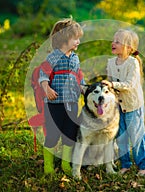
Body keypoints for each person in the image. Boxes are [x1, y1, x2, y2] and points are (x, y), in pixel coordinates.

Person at [38, 18, 85, 175]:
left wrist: (84, 88)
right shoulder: (53, 57)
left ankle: (66, 163)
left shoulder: (75, 58)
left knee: (69, 132)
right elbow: (42, 74)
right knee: (52, 133)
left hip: (72, 102)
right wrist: (46, 88)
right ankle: (48, 165)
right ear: (64, 39)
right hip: (55, 103)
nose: (78, 41)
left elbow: (79, 76)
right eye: (75, 38)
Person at [102, 29, 145, 176]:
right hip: (118, 107)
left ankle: (143, 166)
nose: (113, 43)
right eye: (113, 40)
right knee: (121, 136)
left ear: (129, 47)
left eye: (117, 41)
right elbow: (110, 84)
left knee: (136, 136)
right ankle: (125, 164)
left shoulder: (132, 63)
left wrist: (112, 85)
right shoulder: (110, 62)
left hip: (133, 106)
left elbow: (128, 84)